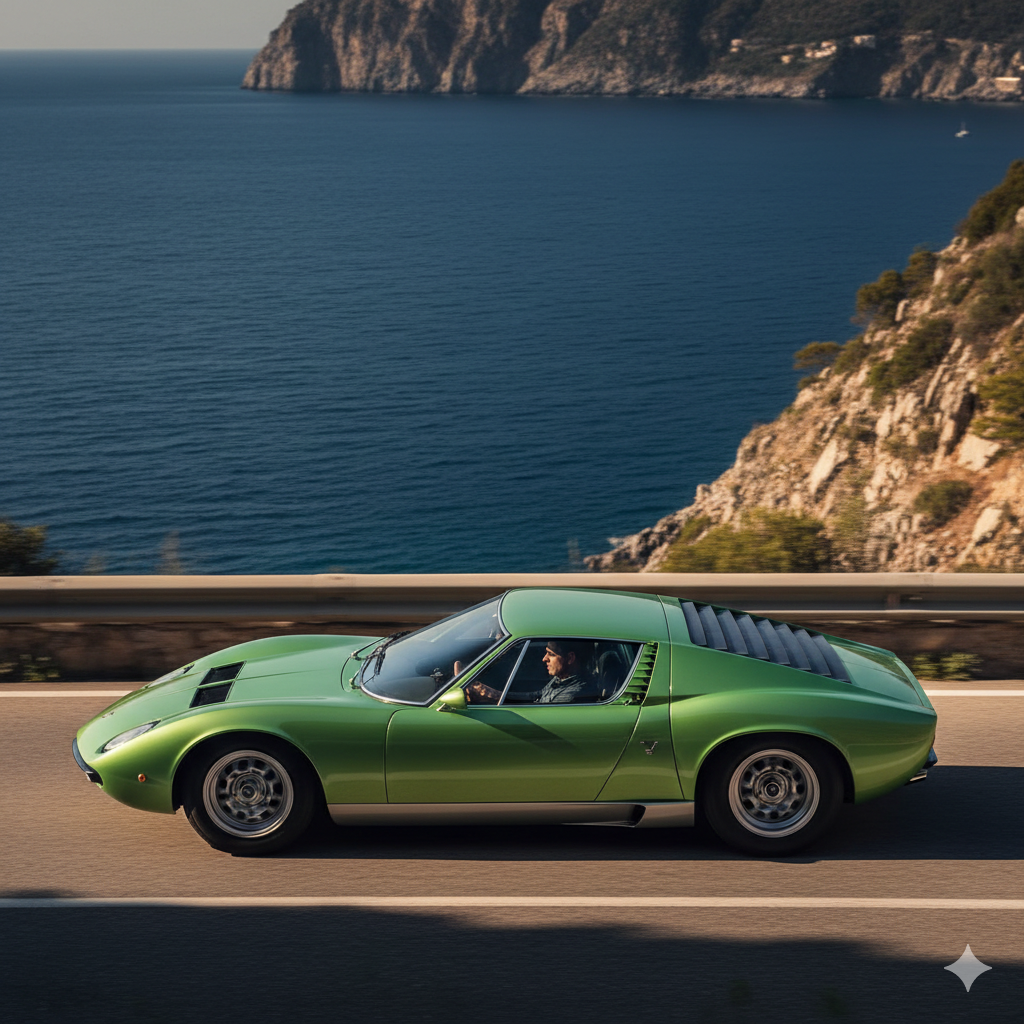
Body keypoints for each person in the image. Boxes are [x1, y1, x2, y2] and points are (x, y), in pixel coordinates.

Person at [466, 639, 601, 704]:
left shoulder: (572, 694)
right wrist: (492, 694)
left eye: (551, 654)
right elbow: (537, 695)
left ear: (570, 658)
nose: (544, 659)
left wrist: (490, 696)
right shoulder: (563, 678)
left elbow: (538, 711)